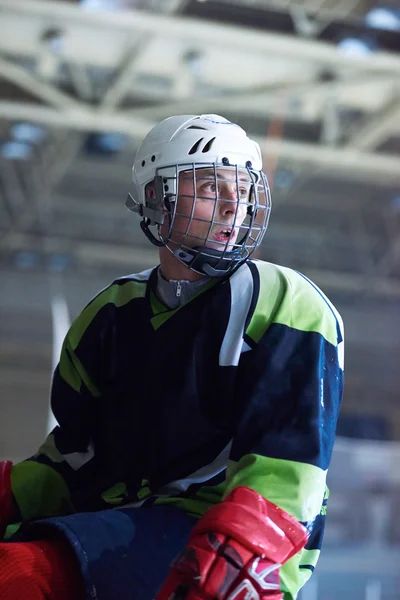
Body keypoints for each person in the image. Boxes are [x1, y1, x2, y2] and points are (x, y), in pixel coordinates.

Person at [0, 114, 344, 600]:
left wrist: (242, 552)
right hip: (118, 523)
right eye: (210, 186)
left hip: (219, 537)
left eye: (243, 189)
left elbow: (288, 466)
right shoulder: (110, 314)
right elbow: (75, 460)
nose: (232, 206)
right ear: (155, 201)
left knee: (16, 575)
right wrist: (10, 493)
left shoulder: (286, 302)